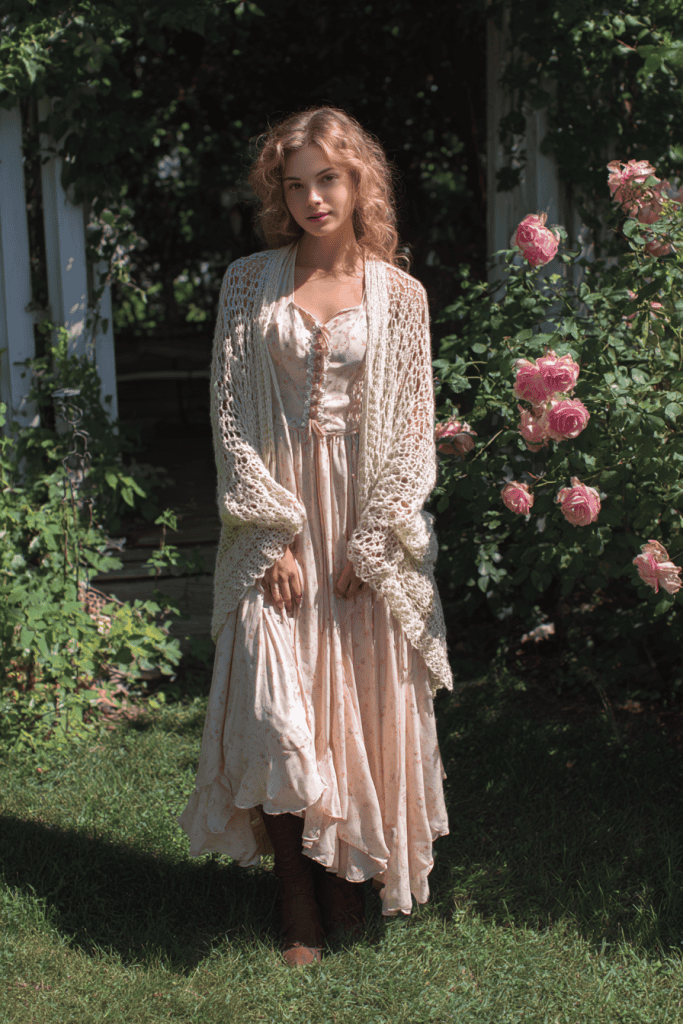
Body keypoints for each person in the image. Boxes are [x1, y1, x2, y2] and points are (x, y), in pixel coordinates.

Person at [178, 106, 453, 966]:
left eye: (326, 179)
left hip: (361, 524)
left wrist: (373, 539)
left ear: (358, 179)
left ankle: (344, 877)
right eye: (293, 185)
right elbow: (228, 421)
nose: (310, 199)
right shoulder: (247, 282)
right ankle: (295, 892)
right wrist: (273, 536)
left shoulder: (400, 296)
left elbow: (413, 428)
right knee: (276, 700)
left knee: (357, 701)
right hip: (275, 518)